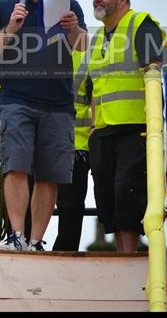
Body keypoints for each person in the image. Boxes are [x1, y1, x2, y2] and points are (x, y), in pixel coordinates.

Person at [0, 0, 88, 251]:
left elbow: (82, 46)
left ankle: (36, 240)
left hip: (58, 103)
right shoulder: (2, 8)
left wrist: (73, 28)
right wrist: (11, 28)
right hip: (16, 99)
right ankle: (15, 236)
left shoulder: (70, 5)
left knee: (49, 174)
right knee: (16, 167)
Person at [86, 0, 164, 252]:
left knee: (126, 195)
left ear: (123, 0)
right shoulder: (95, 40)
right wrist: (93, 128)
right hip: (104, 131)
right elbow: (90, 88)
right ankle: (122, 256)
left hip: (136, 127)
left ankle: (128, 258)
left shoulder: (140, 22)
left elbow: (154, 69)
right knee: (108, 199)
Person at [52, 48, 93, 251]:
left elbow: (97, 102)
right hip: (38, 144)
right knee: (27, 207)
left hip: (76, 147)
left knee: (70, 208)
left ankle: (65, 257)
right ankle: (27, 249)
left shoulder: (88, 57)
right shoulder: (29, 51)